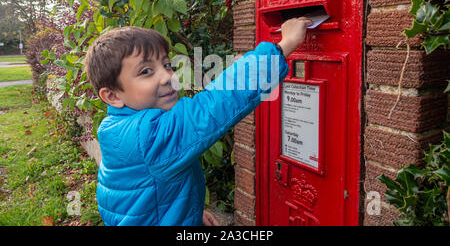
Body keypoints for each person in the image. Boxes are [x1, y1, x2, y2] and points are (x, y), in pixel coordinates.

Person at [84, 17, 312, 226]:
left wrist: (184, 211)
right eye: (145, 71)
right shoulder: (149, 136)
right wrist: (284, 45)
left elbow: (146, 196)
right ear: (113, 96)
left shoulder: (115, 128)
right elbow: (214, 105)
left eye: (166, 65)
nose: (167, 77)